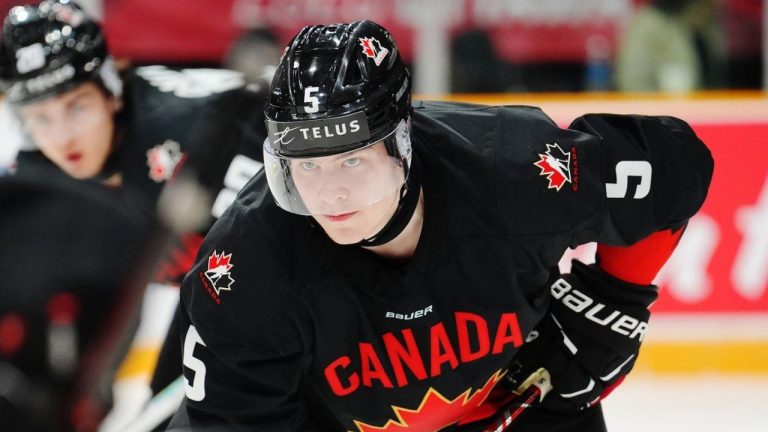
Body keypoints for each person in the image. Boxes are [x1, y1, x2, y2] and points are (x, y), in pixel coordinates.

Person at [170, 20, 713, 431]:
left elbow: (675, 165)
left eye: (351, 160)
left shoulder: (514, 170)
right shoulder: (247, 265)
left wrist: (614, 296)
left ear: (402, 143)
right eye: (307, 165)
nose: (327, 193)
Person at [0, 0, 268, 428]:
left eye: (77, 106)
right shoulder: (36, 175)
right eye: (40, 119)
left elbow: (290, 250)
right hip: (215, 290)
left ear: (111, 87)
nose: (62, 135)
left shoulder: (193, 131)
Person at [615, 0, 727, 93]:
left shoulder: (708, 25)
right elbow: (632, 83)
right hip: (663, 113)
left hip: (706, 111)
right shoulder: (649, 24)